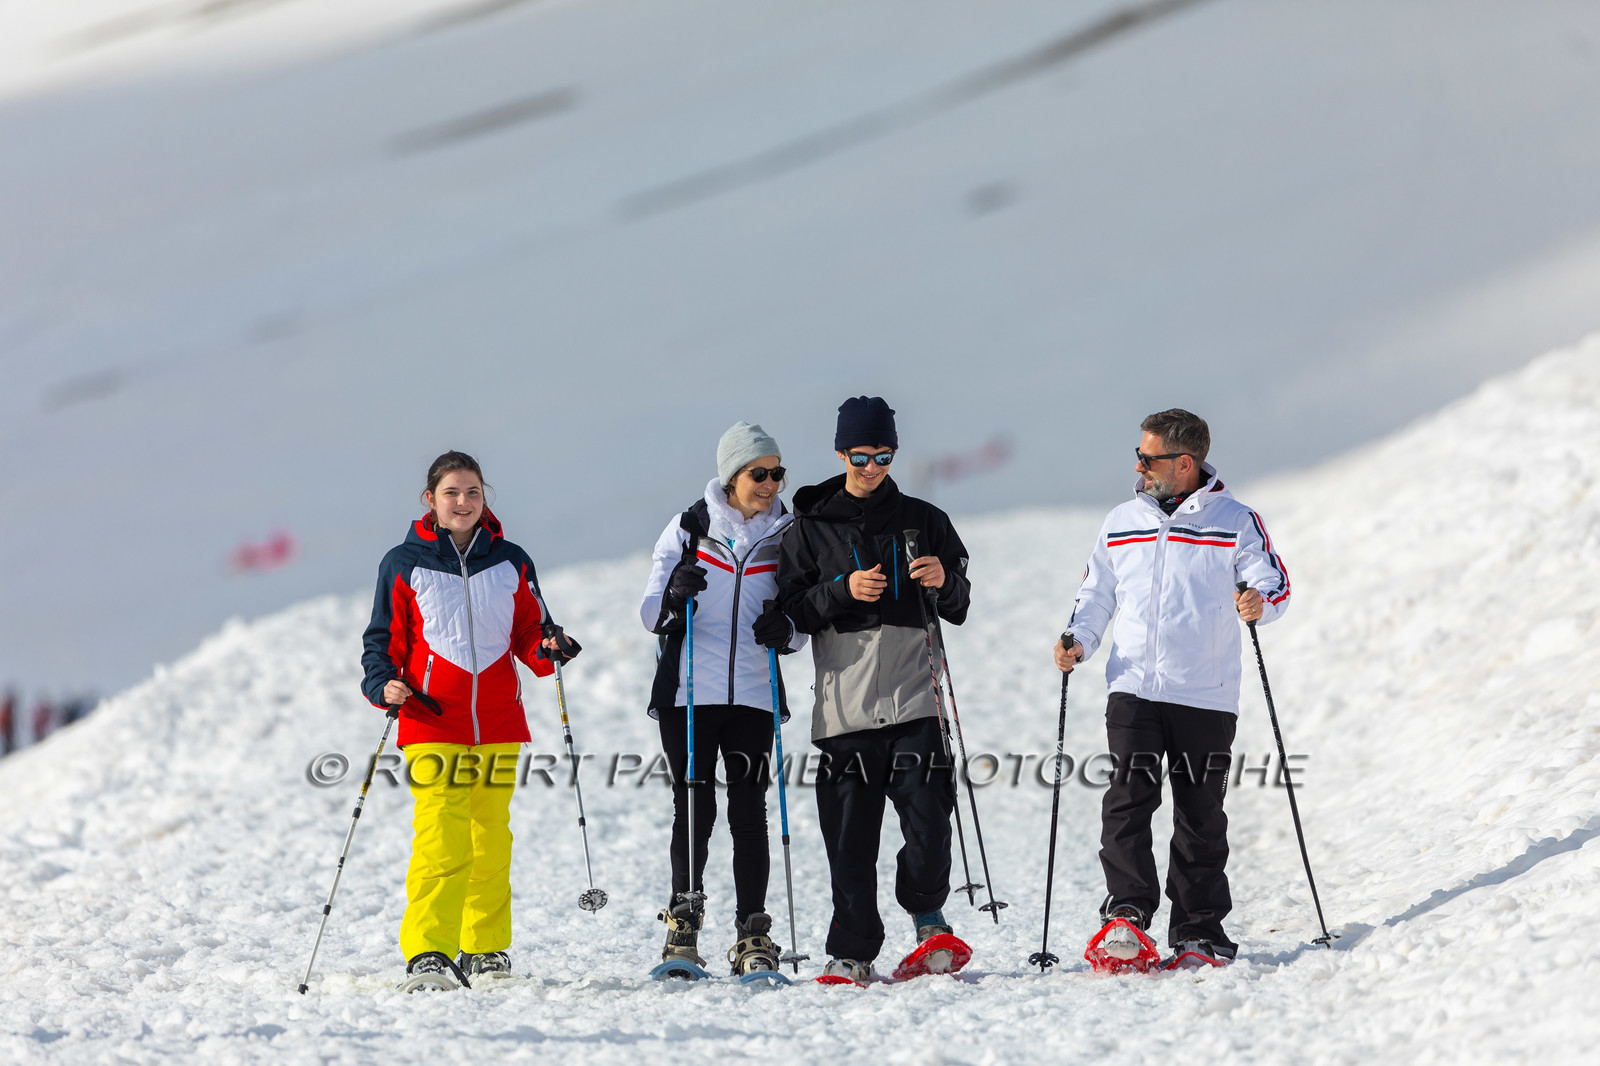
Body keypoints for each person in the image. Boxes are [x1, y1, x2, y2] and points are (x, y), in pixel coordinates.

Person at [1054, 408, 1290, 966]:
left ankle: (1199, 929)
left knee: (1200, 814)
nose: (1137, 465)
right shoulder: (1119, 521)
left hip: (1204, 691)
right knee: (1128, 801)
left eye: (1148, 457)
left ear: (1184, 464)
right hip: (1134, 685)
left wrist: (1259, 602)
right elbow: (1096, 596)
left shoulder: (1235, 519)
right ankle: (1127, 917)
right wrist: (1079, 640)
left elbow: (1271, 582)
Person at [361, 450, 579, 991]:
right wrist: (381, 682)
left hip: (499, 722)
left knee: (490, 839)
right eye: (452, 493)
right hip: (431, 719)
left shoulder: (512, 561)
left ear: (486, 498)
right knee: (442, 837)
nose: (463, 502)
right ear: (430, 500)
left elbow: (530, 631)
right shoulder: (403, 562)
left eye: (473, 492)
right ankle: (430, 950)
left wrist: (549, 648)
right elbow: (381, 641)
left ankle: (484, 949)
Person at [776, 396, 972, 985]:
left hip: (916, 700)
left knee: (932, 819)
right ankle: (852, 952)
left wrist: (946, 580)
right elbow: (787, 613)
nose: (871, 466)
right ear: (841, 453)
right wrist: (842, 590)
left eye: (883, 455)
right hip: (846, 710)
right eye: (861, 456)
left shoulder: (925, 519)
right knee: (849, 839)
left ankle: (929, 917)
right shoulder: (809, 531)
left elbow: (959, 602)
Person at [640, 422, 807, 976]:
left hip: (754, 693)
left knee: (748, 810)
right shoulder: (689, 528)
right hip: (689, 693)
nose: (770, 483)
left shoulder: (788, 534)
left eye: (777, 472)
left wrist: (785, 630)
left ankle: (753, 932)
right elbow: (650, 613)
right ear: (732, 475)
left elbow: (800, 621)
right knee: (693, 805)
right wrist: (675, 591)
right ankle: (683, 929)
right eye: (760, 473)